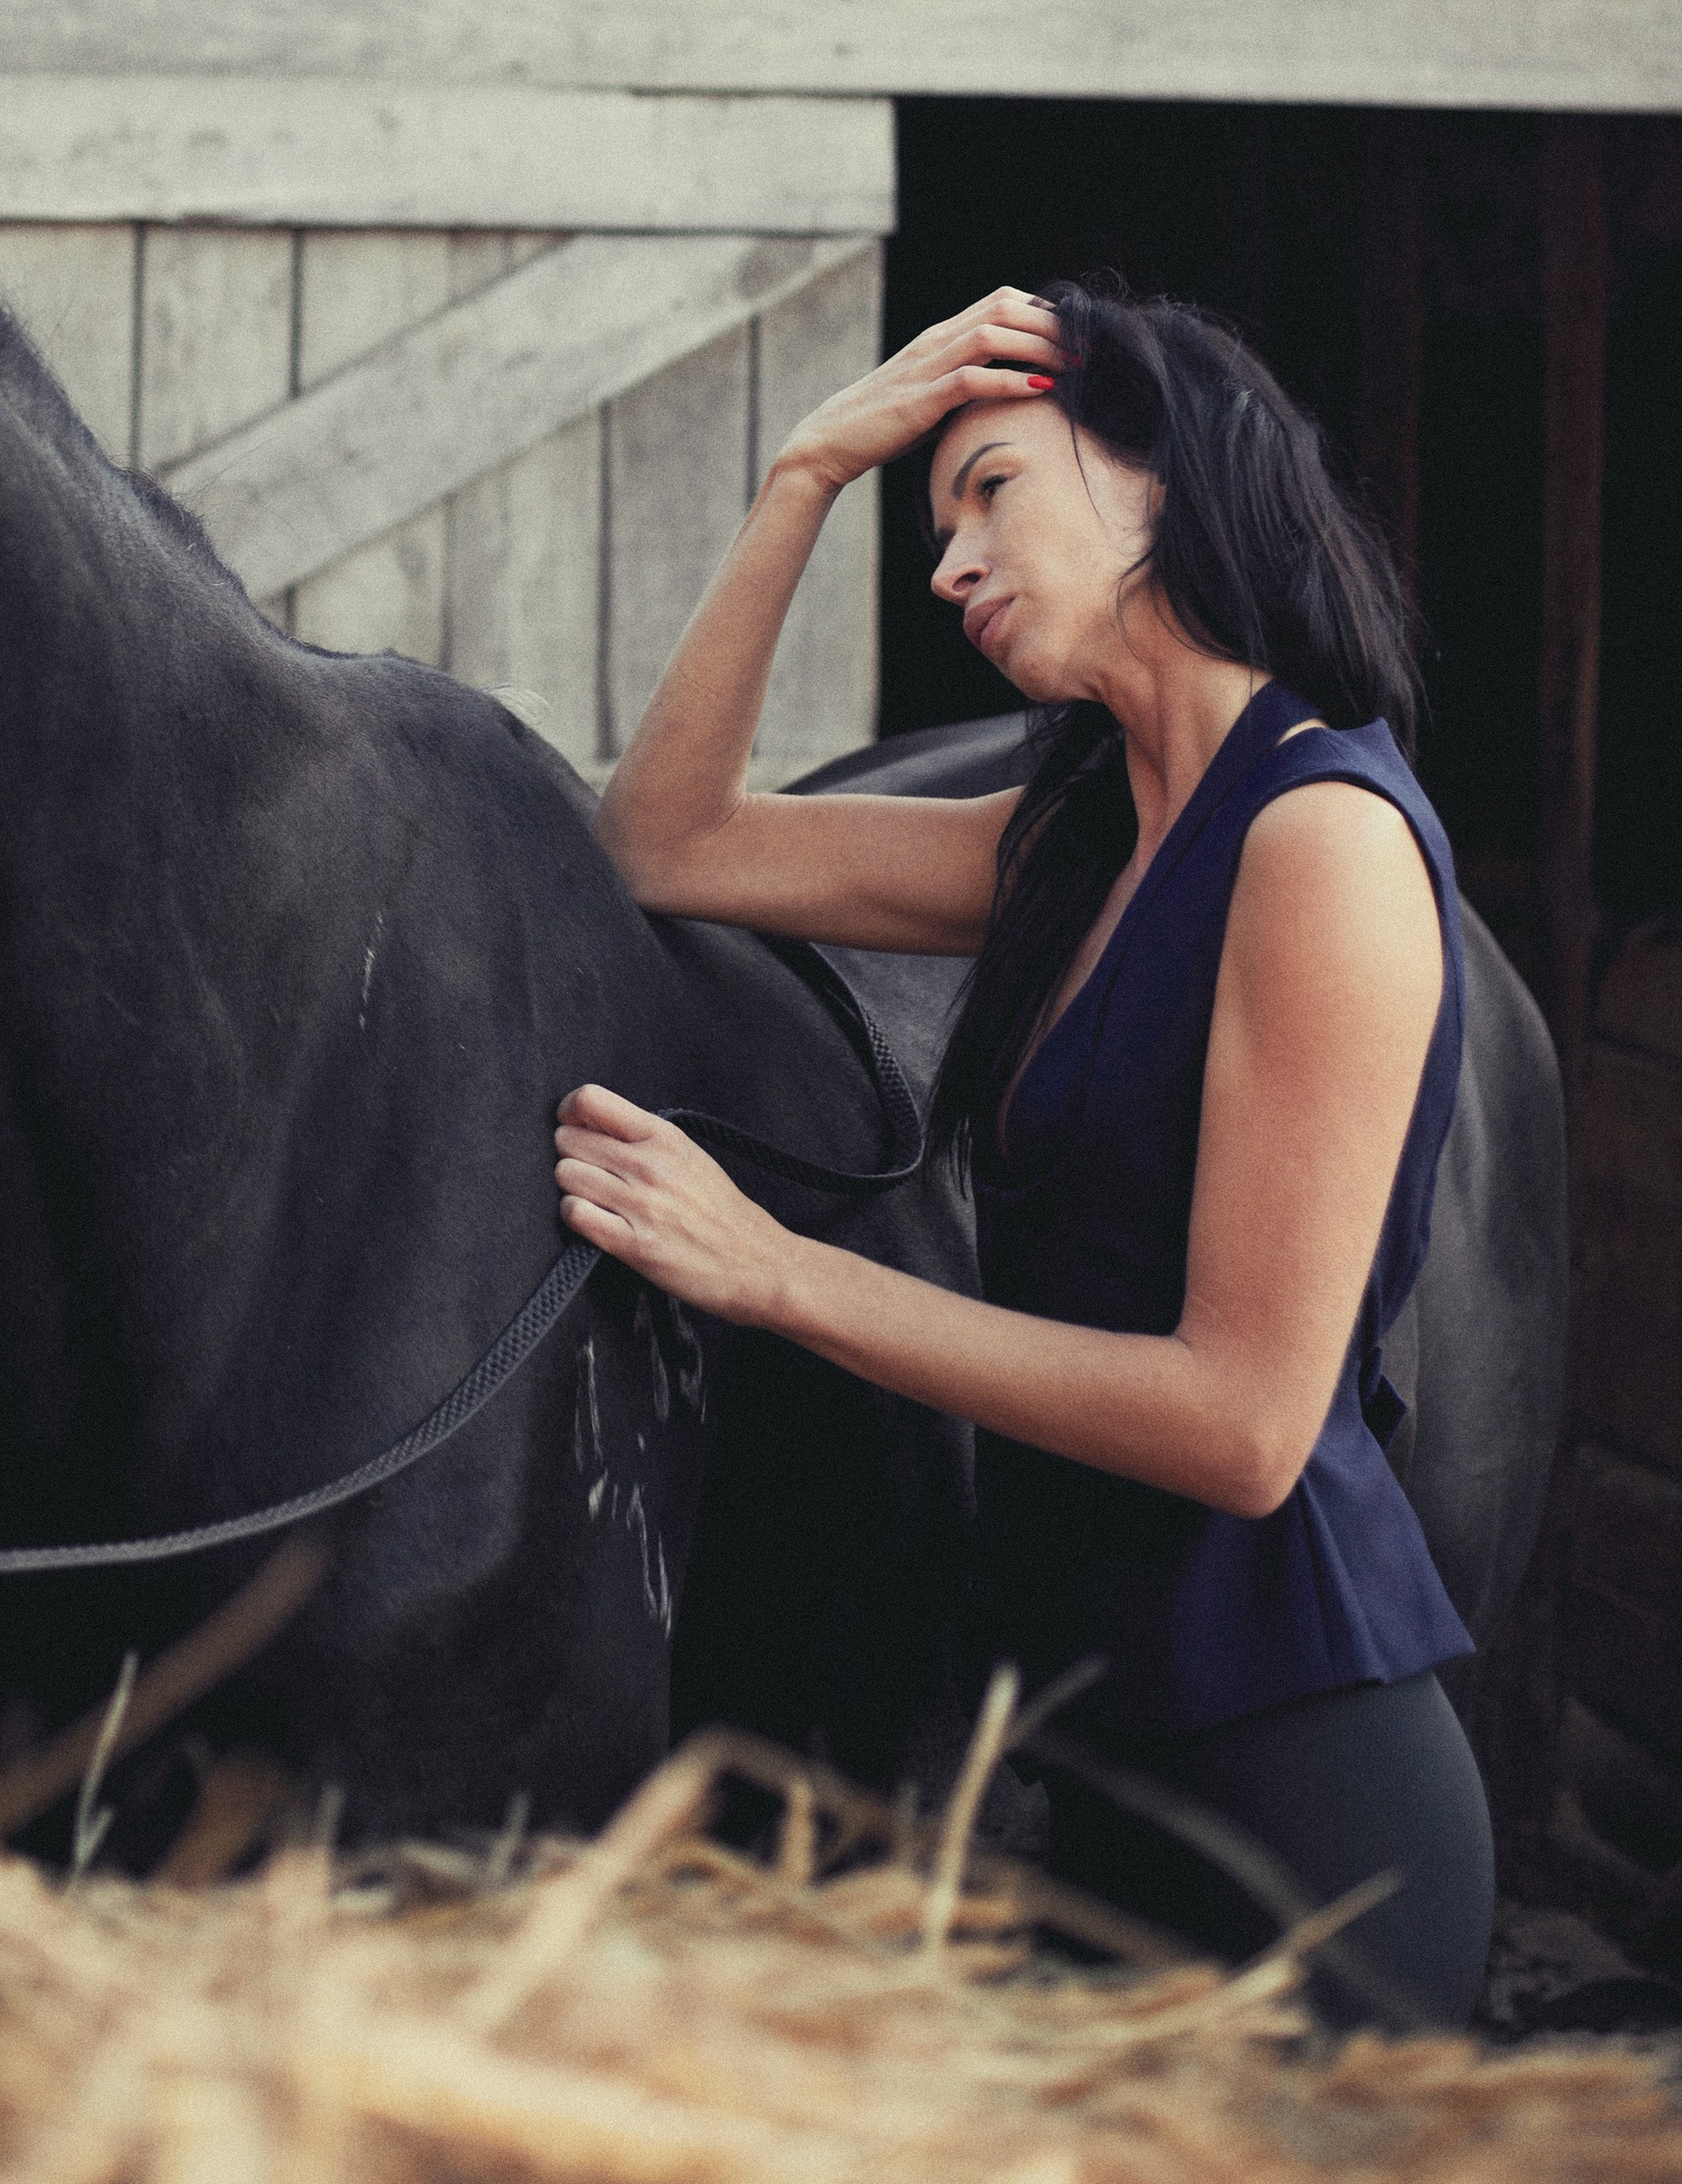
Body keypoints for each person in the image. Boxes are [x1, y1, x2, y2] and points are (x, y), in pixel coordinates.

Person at [556, 279, 1494, 2026]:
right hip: (1092, 1764)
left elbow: (1244, 1427)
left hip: (1299, 1794)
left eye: (990, 490)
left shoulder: (1322, 839)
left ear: (1163, 477)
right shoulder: (1079, 840)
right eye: (935, 524)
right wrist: (802, 475)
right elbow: (662, 845)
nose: (951, 566)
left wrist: (779, 1274)